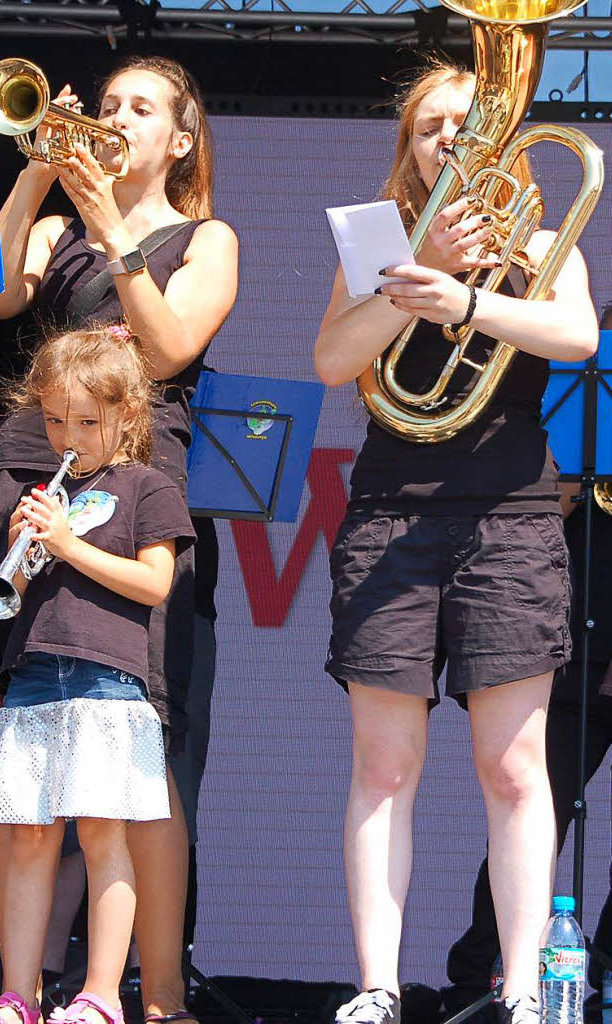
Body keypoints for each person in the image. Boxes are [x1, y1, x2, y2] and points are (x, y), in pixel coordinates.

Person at [0, 55, 238, 1024]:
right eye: (107, 106)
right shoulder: (56, 230)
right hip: (34, 465)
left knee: (144, 753)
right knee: (35, 729)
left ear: (179, 138)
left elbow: (171, 347)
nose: (117, 118)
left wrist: (118, 232)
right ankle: (29, 989)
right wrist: (40, 173)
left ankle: (157, 998)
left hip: (137, 474)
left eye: (142, 109)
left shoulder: (202, 236)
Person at [313, 61, 598, 1024]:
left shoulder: (546, 241)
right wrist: (415, 269)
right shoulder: (376, 239)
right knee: (383, 766)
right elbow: (329, 362)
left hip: (511, 519)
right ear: (408, 148)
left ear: (506, 145)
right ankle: (376, 989)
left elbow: (577, 337)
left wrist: (470, 301)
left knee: (515, 768)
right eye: (429, 126)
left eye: (466, 124)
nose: (448, 138)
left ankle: (521, 989)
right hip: (391, 512)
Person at [0, 324, 195, 1024]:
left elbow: (155, 585)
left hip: (107, 681)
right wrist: (24, 551)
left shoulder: (146, 488)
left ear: (127, 415)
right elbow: (18, 594)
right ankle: (16, 994)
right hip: (34, 671)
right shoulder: (43, 493)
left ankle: (97, 995)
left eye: (87, 422)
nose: (69, 436)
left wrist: (66, 543)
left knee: (103, 832)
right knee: (29, 833)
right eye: (56, 419)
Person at [443, 309, 612, 1024]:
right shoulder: (583, 377)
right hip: (583, 624)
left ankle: (596, 971)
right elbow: (547, 495)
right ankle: (490, 969)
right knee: (533, 800)